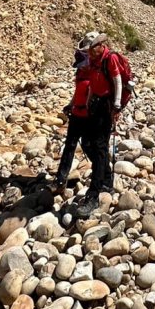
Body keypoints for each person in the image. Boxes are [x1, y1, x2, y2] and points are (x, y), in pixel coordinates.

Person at [54, 30, 123, 201]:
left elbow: (117, 80)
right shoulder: (91, 64)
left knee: (96, 147)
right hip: (86, 109)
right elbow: (88, 87)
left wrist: (116, 105)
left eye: (91, 49)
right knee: (81, 144)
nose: (88, 53)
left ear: (100, 45)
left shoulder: (108, 59)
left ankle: (99, 187)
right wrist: (76, 104)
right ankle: (65, 179)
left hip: (100, 109)